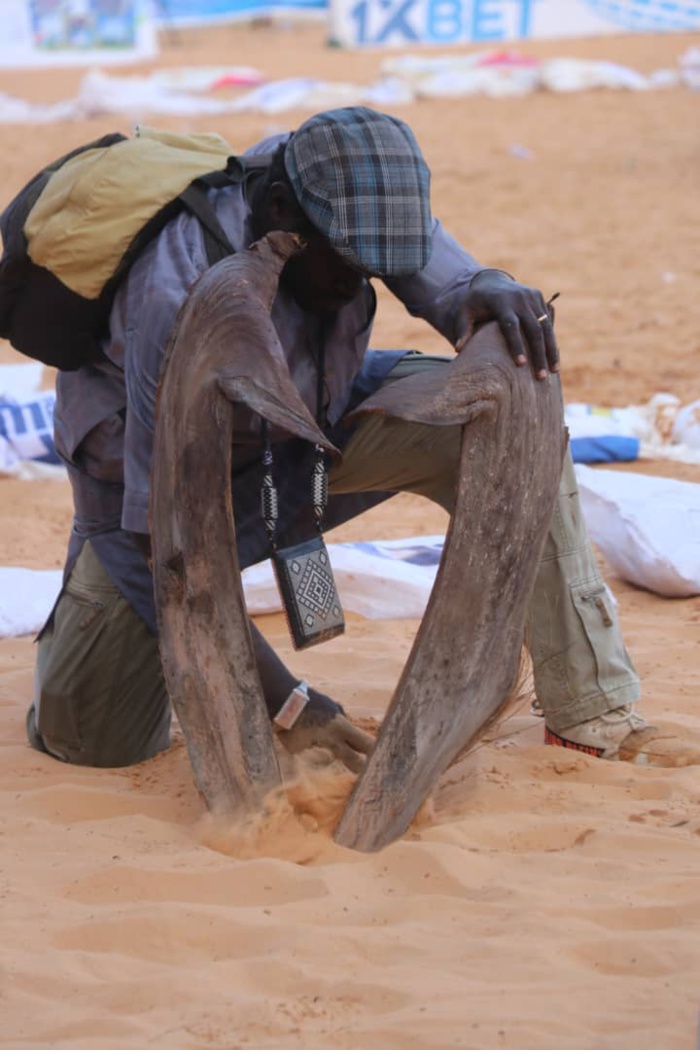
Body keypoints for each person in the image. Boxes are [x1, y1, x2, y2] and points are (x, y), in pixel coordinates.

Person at [25, 106, 676, 773]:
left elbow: (445, 278)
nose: (360, 282)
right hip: (154, 505)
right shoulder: (180, 298)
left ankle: (591, 712)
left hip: (306, 429)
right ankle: (87, 647)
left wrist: (488, 287)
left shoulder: (340, 192)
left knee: (513, 417)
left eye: (374, 268)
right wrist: (287, 703)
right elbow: (165, 543)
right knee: (94, 742)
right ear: (280, 214)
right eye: (347, 266)